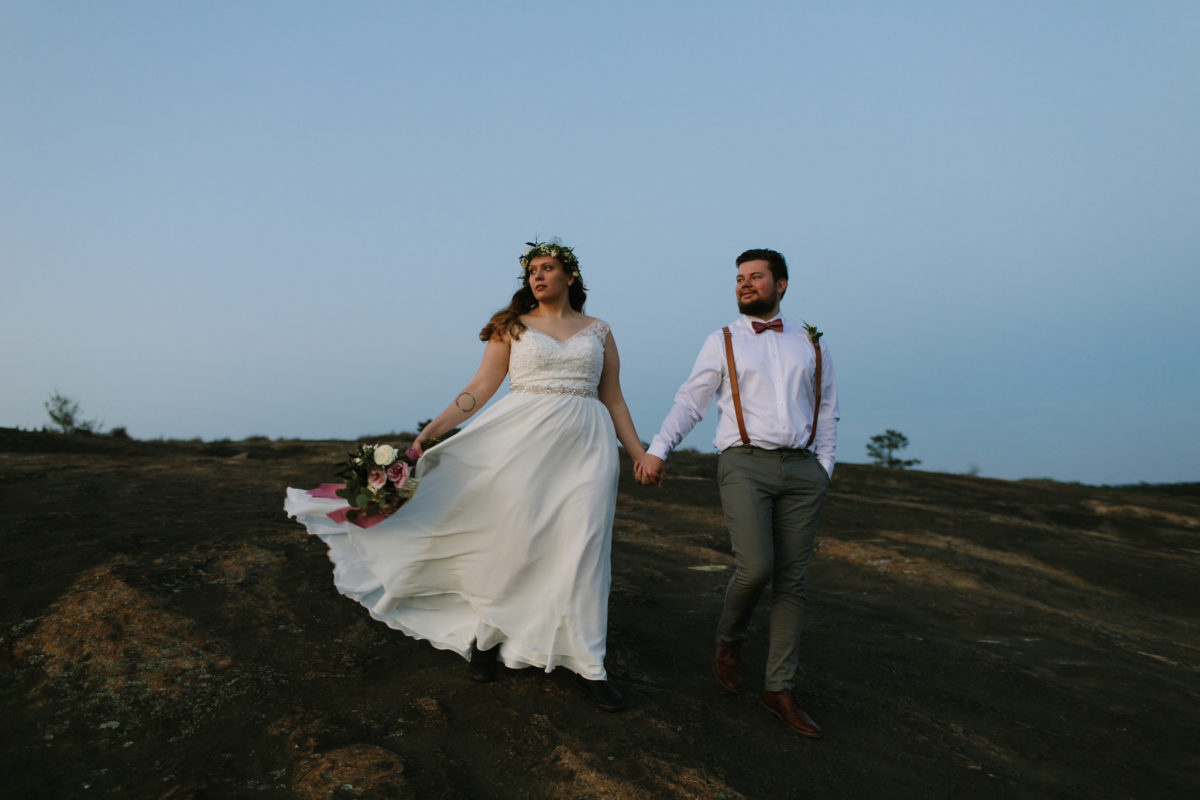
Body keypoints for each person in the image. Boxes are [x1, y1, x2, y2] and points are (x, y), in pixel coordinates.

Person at [285, 240, 656, 712]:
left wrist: (639, 454)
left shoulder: (599, 331)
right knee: (519, 541)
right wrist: (428, 435)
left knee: (584, 546)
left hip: (588, 446)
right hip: (523, 445)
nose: (538, 277)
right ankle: (487, 636)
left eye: (548, 268)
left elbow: (614, 397)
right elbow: (479, 389)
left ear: (571, 277)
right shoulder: (513, 328)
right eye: (532, 271)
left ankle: (589, 665)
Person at [635, 248, 838, 737]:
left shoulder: (811, 344)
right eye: (740, 278)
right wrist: (659, 447)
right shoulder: (722, 340)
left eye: (756, 277)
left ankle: (778, 690)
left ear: (781, 284)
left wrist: (825, 467)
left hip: (803, 470)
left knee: (793, 584)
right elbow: (692, 399)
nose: (745, 284)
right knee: (757, 568)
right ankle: (730, 641)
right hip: (744, 465)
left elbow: (827, 406)